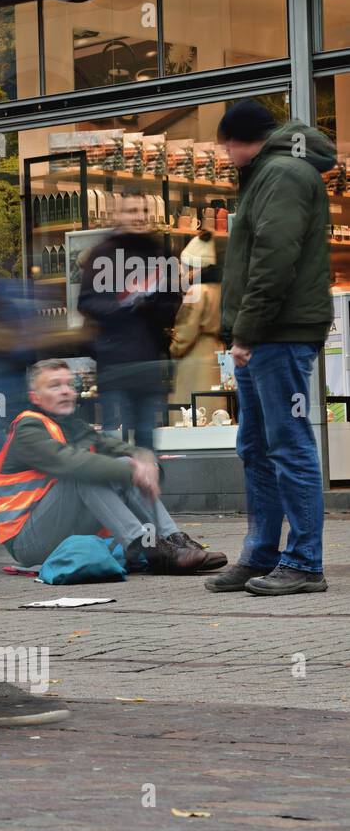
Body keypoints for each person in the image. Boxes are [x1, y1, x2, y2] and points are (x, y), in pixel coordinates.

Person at [209, 100, 334, 596]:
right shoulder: (269, 172)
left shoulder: (281, 174)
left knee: (287, 446)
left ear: (245, 139)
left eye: (226, 142)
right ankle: (261, 555)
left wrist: (246, 332)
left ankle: (304, 562)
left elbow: (273, 258)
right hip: (267, 333)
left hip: (279, 333)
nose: (223, 152)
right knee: (257, 447)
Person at [0, 359, 226, 574]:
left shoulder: (70, 424)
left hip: (57, 525)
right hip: (27, 541)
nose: (65, 391)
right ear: (35, 397)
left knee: (123, 462)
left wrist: (142, 458)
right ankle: (150, 549)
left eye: (69, 385)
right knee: (84, 474)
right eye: (54, 386)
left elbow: (111, 446)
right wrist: (134, 472)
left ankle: (173, 539)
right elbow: (72, 463)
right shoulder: (27, 429)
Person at [78, 194, 183, 447]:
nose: (139, 216)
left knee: (147, 437)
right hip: (115, 362)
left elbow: (173, 303)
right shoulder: (103, 253)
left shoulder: (159, 251)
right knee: (115, 440)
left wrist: (152, 304)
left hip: (148, 360)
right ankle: (118, 484)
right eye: (132, 210)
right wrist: (125, 306)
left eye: (144, 210)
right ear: (117, 215)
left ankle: (147, 484)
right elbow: (87, 302)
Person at [169, 233, 226, 416]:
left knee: (192, 409)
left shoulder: (197, 290)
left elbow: (186, 329)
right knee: (215, 407)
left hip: (196, 355)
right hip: (217, 351)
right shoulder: (221, 288)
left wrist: (173, 348)